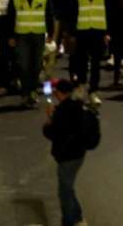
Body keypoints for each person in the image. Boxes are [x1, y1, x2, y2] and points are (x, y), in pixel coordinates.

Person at [7, 0, 55, 107]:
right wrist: (11, 35)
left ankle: (33, 91)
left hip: (38, 34)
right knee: (23, 65)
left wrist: (51, 34)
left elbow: (49, 14)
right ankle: (25, 94)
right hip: (21, 34)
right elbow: (11, 16)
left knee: (36, 65)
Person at [42, 79, 87, 226]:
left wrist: (49, 119)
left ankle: (69, 221)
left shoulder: (62, 111)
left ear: (60, 93)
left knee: (64, 191)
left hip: (67, 156)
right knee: (68, 186)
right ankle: (78, 217)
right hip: (79, 154)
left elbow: (53, 133)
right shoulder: (77, 105)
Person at [71, 0, 109, 106]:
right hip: (82, 31)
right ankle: (80, 87)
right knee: (80, 62)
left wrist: (108, 33)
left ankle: (93, 91)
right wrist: (72, 33)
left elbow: (109, 10)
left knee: (95, 64)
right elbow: (73, 11)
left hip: (98, 32)